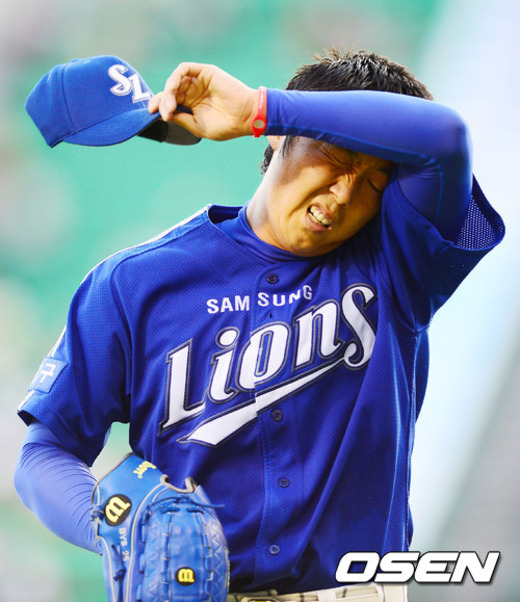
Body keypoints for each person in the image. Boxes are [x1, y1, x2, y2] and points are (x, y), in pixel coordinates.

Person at [14, 49, 504, 601]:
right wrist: (117, 529)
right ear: (279, 140)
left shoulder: (397, 264)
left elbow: (443, 138)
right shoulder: (134, 283)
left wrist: (256, 107)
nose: (345, 191)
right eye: (336, 156)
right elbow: (45, 452)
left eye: (374, 182)